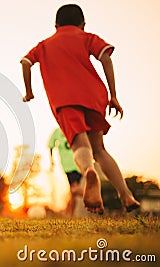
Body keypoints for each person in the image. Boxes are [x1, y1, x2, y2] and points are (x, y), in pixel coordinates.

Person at [20, 4, 140, 214]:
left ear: (56, 25)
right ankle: (126, 194)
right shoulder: (87, 37)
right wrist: (113, 95)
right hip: (94, 97)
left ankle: (88, 172)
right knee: (100, 149)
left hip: (66, 101)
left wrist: (29, 91)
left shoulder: (44, 45)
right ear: (83, 24)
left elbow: (26, 62)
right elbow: (105, 57)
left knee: (80, 146)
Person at [49, 128, 84, 217]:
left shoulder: (71, 128)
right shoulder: (58, 131)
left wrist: (51, 161)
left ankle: (91, 196)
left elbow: (50, 146)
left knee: (74, 190)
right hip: (74, 164)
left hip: (75, 164)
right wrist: (51, 160)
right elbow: (51, 145)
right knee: (73, 192)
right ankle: (70, 215)